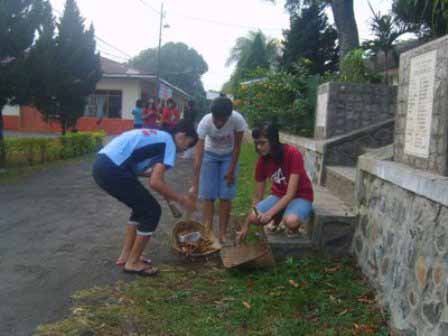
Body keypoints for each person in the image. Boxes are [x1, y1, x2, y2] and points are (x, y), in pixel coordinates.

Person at [92, 120, 198, 276]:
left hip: (102, 165)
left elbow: (145, 173)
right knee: (152, 211)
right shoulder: (169, 142)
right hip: (113, 168)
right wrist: (181, 199)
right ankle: (133, 262)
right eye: (188, 145)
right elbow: (155, 183)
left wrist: (154, 175)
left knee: (140, 208)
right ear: (181, 136)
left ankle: (126, 255)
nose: (184, 150)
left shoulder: (160, 137)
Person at [238, 123, 314, 241]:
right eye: (256, 143)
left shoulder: (293, 154)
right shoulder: (262, 162)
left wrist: (269, 213)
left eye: (262, 143)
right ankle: (278, 217)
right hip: (278, 196)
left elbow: (291, 194)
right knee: (254, 218)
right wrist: (245, 226)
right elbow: (257, 196)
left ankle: (293, 227)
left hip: (301, 196)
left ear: (273, 141)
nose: (258, 147)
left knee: (291, 221)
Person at [191, 94, 248, 243]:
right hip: (209, 156)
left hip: (229, 156)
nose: (218, 123)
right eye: (216, 118)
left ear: (229, 116)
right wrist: (195, 183)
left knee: (225, 195)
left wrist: (231, 170)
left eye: (222, 119)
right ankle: (207, 231)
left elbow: (237, 147)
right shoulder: (205, 122)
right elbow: (198, 154)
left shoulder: (237, 120)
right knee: (208, 195)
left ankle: (222, 233)